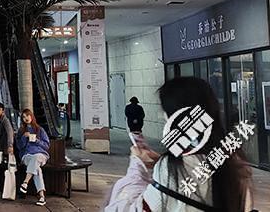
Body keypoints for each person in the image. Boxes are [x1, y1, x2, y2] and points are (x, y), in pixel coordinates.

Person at [105, 77, 252, 212]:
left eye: (166, 112)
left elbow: (137, 208)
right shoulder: (233, 159)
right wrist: (159, 161)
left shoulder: (172, 168)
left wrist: (137, 165)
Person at [16, 109, 50, 207]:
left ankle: (25, 183)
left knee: (36, 159)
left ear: (31, 116)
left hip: (41, 155)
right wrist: (24, 137)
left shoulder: (40, 130)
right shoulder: (21, 131)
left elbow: (47, 145)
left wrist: (37, 140)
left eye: (27, 115)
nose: (26, 118)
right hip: (27, 156)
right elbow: (19, 147)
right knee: (37, 169)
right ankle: (42, 196)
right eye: (23, 117)